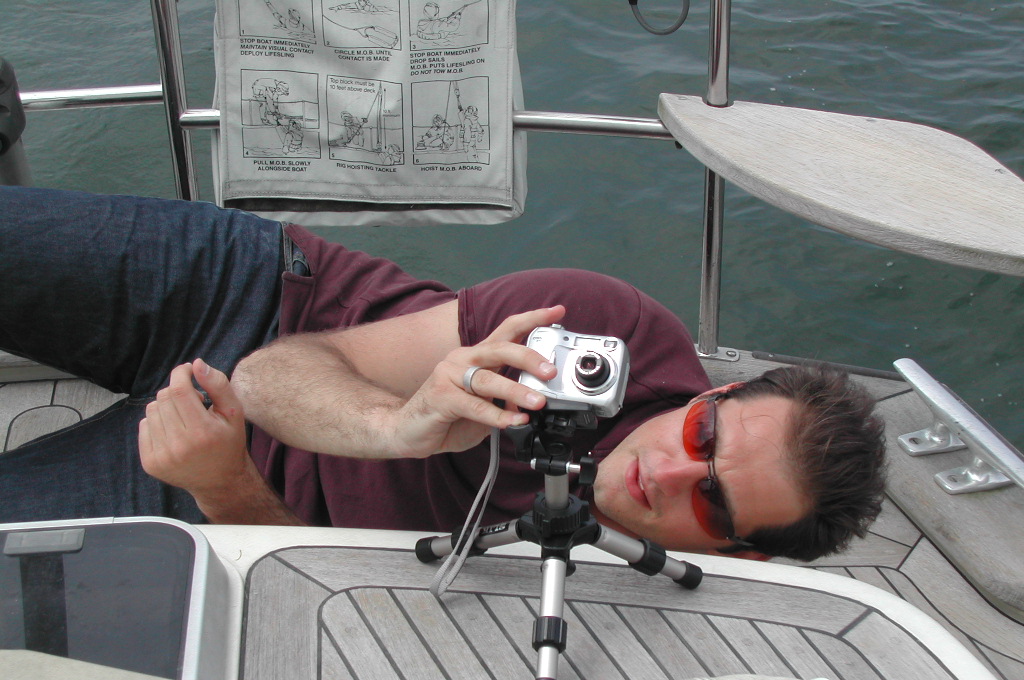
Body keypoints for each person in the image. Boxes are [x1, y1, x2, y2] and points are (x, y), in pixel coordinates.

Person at [0, 186, 886, 561]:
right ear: (716, 392)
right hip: (256, 297)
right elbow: (277, 374)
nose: (670, 473)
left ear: (733, 552)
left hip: (230, 496)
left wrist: (224, 487)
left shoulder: (614, 592)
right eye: (705, 436)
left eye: (715, 502)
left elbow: (332, 607)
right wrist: (403, 424)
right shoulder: (593, 326)